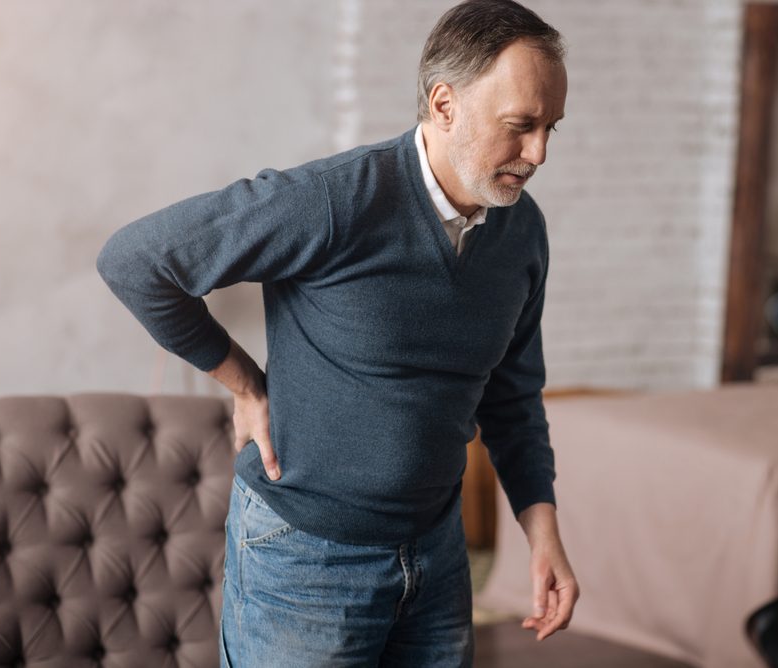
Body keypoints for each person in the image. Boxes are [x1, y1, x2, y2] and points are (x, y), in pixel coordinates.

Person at [96, 1, 579, 665]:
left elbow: (514, 394)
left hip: (438, 555)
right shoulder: (332, 201)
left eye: (551, 127)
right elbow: (136, 261)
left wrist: (542, 528)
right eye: (521, 126)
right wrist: (243, 383)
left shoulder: (522, 232)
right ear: (445, 104)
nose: (540, 153)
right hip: (305, 562)